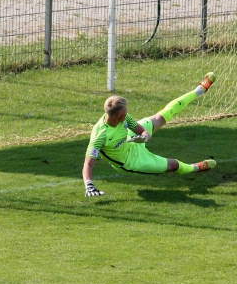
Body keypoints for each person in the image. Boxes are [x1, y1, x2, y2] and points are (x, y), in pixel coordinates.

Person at [82, 72, 217, 197]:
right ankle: (196, 167)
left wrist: (145, 137)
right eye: (125, 110)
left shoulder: (123, 117)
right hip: (130, 161)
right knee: (173, 165)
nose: (127, 112)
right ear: (118, 115)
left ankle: (199, 90)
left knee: (162, 116)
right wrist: (89, 185)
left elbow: (141, 130)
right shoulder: (100, 136)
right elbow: (88, 164)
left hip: (131, 139)